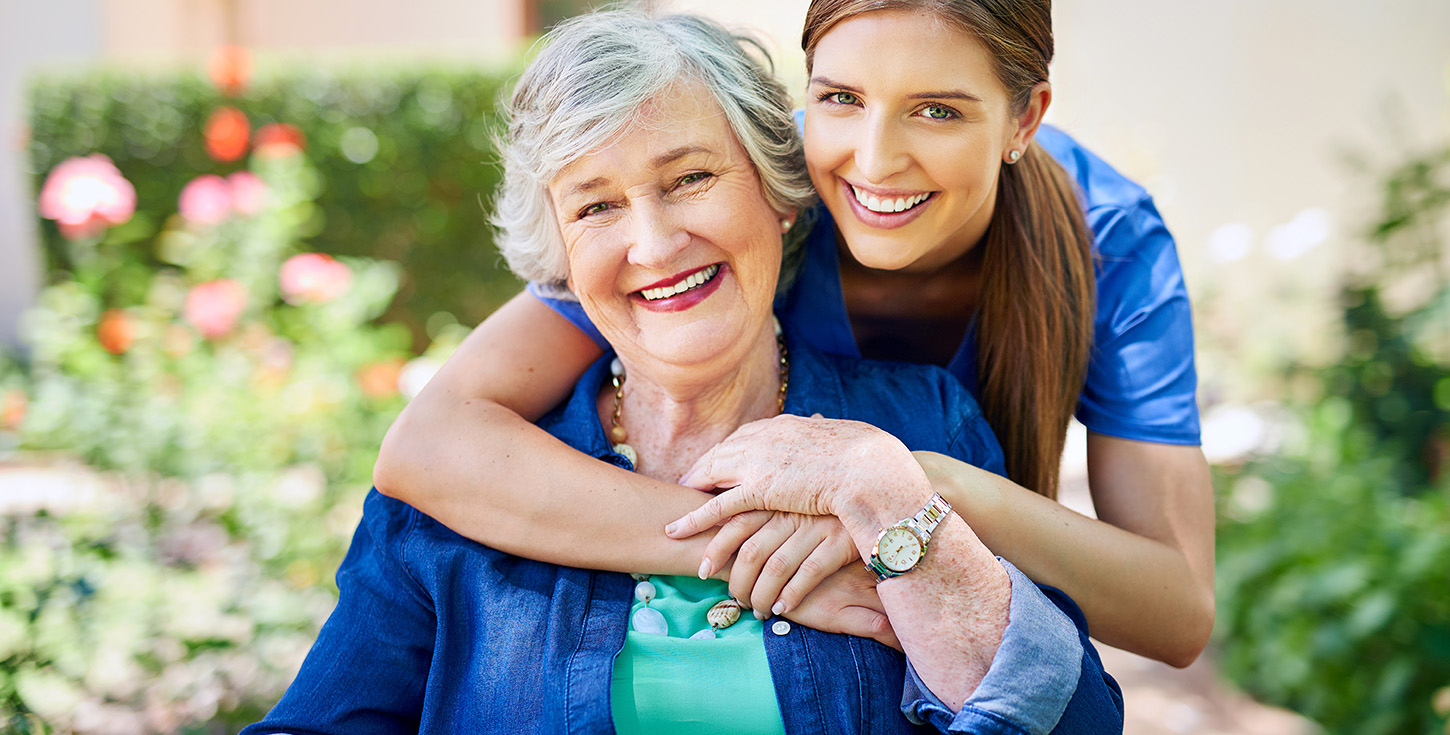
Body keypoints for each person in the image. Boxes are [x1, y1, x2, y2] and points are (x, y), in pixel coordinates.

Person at [244, 11, 1122, 733]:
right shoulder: (459, 497)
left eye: (690, 177)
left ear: (778, 195)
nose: (655, 244)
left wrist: (886, 495)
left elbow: (1069, 720)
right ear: (561, 254)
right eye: (596, 205)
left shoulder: (921, 423)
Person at [375, 0, 1214, 668]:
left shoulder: (1110, 242)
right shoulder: (755, 197)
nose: (874, 161)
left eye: (937, 110)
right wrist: (747, 554)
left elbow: (1176, 608)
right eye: (840, 99)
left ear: (1024, 120)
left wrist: (906, 489)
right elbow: (431, 442)